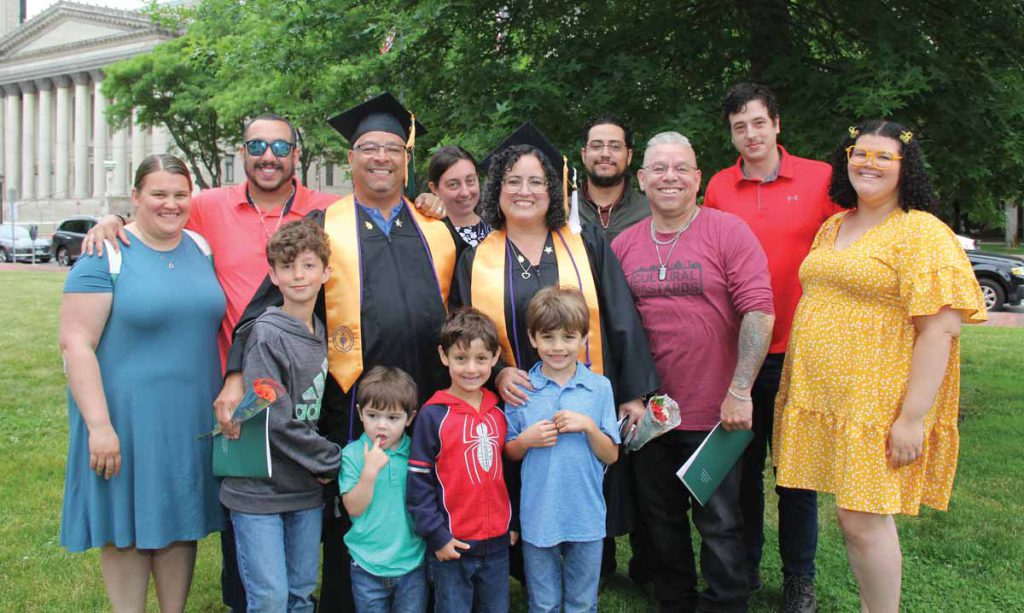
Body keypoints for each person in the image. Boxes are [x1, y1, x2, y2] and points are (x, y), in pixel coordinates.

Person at [227, 93, 464, 611]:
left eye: (392, 148)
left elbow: (466, 311)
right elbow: (265, 305)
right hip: (347, 402)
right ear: (350, 159)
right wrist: (233, 375)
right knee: (351, 514)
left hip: (424, 400)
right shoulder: (322, 226)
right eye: (367, 148)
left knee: (420, 499)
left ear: (408, 158)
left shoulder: (436, 230)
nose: (381, 157)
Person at [772, 120, 986, 613]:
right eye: (859, 153)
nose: (867, 163)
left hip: (879, 401)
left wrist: (912, 417)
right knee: (852, 516)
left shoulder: (921, 231)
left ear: (905, 166)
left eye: (882, 156)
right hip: (831, 399)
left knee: (863, 518)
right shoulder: (835, 224)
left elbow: (941, 329)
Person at [451, 122, 658, 588]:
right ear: (497, 191)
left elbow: (619, 316)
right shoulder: (478, 255)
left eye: (536, 181)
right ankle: (527, 566)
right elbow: (467, 327)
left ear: (553, 190)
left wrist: (633, 392)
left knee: (579, 467)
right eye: (512, 181)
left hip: (581, 392)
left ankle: (591, 557)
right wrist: (499, 373)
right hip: (517, 401)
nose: (524, 192)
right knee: (525, 472)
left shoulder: (583, 245)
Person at [612, 131, 775, 612]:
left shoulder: (728, 232)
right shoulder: (623, 246)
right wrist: (630, 398)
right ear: (641, 179)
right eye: (659, 168)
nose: (670, 177)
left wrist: (741, 389)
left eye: (681, 167)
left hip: (716, 413)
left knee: (720, 521)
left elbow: (760, 311)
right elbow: (613, 329)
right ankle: (676, 601)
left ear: (698, 178)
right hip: (653, 414)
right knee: (660, 520)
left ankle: (726, 602)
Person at [58, 154, 225, 612]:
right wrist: (99, 427)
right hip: (124, 420)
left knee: (180, 521)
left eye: (179, 194)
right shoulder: (103, 255)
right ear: (135, 198)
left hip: (190, 417)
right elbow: (75, 344)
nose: (170, 204)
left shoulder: (201, 248)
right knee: (127, 527)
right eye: (158, 194)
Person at [703, 82, 842, 610]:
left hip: (800, 352)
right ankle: (745, 567)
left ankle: (799, 578)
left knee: (796, 476)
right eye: (739, 126)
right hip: (738, 354)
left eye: (759, 123)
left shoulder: (820, 179)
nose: (750, 134)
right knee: (741, 472)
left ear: (777, 124)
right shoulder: (718, 187)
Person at [220, 219, 342, 613]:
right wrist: (334, 460)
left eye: (308, 266)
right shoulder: (268, 334)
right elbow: (273, 417)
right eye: (287, 267)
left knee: (301, 593)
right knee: (270, 598)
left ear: (326, 271)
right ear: (272, 275)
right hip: (259, 492)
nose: (298, 276)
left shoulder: (324, 333)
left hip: (304, 490)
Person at [504, 286, 620, 612]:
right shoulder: (522, 389)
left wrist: (589, 426)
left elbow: (610, 454)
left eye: (568, 337)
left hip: (586, 515)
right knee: (543, 602)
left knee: (582, 601)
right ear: (532, 338)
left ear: (584, 338)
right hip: (538, 515)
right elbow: (511, 452)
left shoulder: (599, 388)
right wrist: (526, 440)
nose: (558, 347)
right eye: (548, 337)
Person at [407, 308, 512, 612]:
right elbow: (418, 482)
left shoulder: (499, 412)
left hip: (496, 544)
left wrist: (512, 522)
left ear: (495, 358)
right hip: (452, 545)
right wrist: (437, 536)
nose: (471, 369)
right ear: (444, 356)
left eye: (481, 359)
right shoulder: (432, 415)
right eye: (461, 358)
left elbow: (510, 473)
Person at [341, 367, 427, 613]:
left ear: (409, 418)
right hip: (367, 565)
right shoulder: (353, 455)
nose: (382, 426)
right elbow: (354, 507)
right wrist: (369, 471)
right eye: (373, 415)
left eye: (393, 418)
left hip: (411, 564)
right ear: (360, 414)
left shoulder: (417, 453)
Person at [577, 115, 650, 241]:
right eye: (596, 146)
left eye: (615, 147)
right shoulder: (562, 211)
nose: (605, 154)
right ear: (584, 155)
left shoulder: (650, 212)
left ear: (629, 156)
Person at [428, 146, 491, 247]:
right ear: (434, 188)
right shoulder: (426, 237)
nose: (465, 193)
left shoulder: (499, 231)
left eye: (470, 181)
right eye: (453, 184)